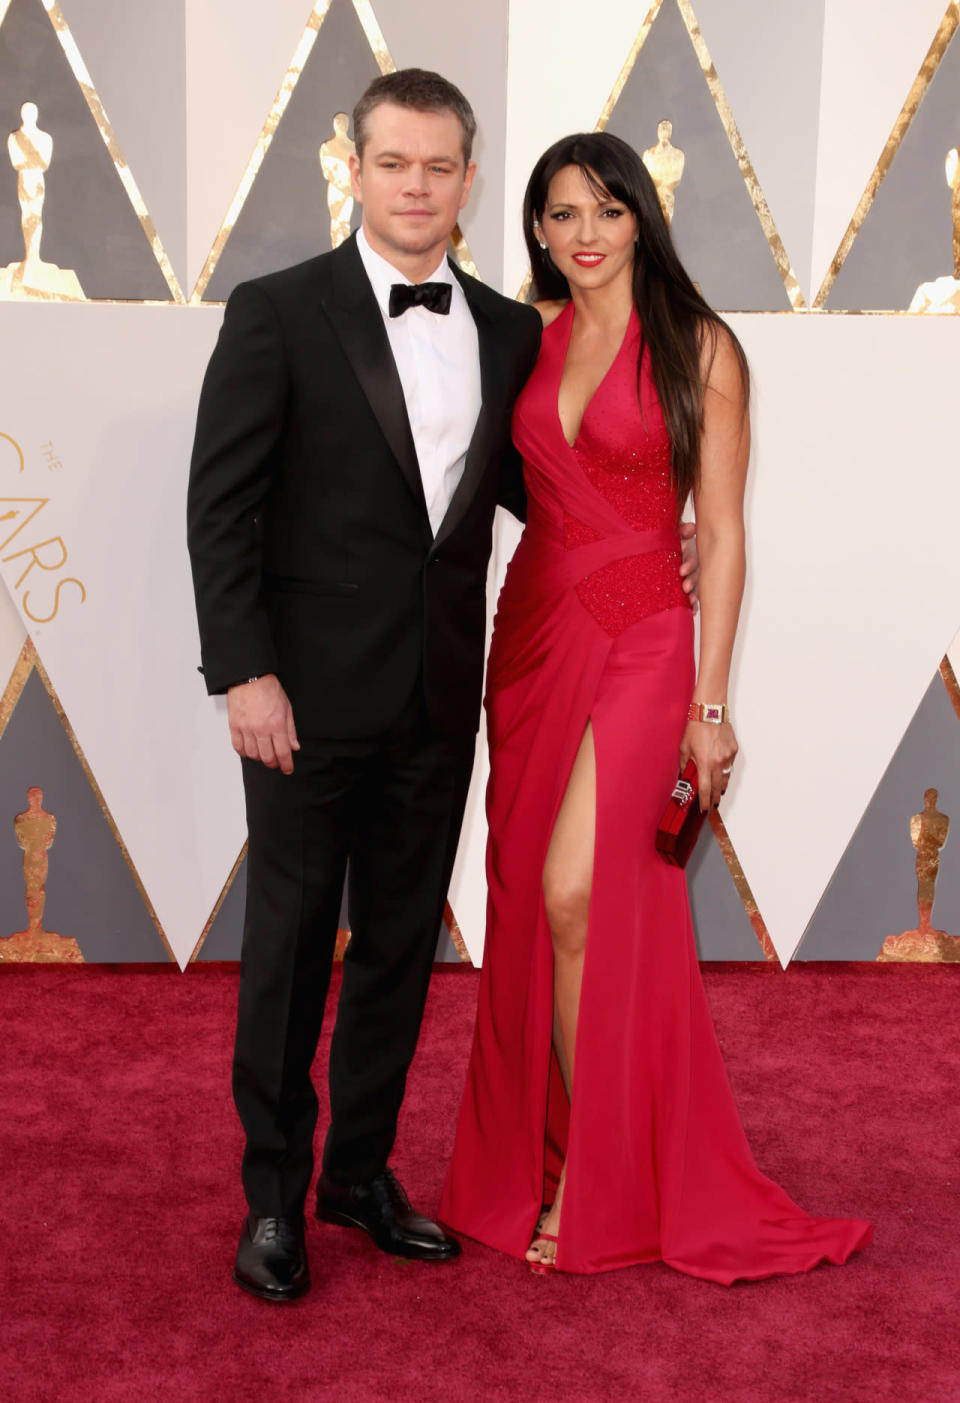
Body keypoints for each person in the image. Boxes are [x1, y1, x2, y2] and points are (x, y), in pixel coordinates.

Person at [189, 70, 698, 1303]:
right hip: (299, 704)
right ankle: (272, 1197)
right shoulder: (277, 310)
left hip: (441, 698)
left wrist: (658, 536)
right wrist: (243, 671)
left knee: (402, 951)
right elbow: (223, 507)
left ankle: (357, 1174)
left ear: (471, 182)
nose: (415, 187)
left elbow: (544, 480)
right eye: (393, 163)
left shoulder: (512, 328)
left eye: (438, 167)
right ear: (353, 170)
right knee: (291, 952)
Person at [439, 132, 873, 1282]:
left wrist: (712, 704)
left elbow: (723, 531)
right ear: (534, 228)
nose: (585, 233)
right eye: (563, 213)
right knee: (533, 898)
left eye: (607, 210)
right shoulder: (519, 336)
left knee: (580, 889)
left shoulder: (701, 345)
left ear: (643, 219)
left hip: (643, 642)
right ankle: (551, 1153)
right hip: (531, 633)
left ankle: (597, 1170)